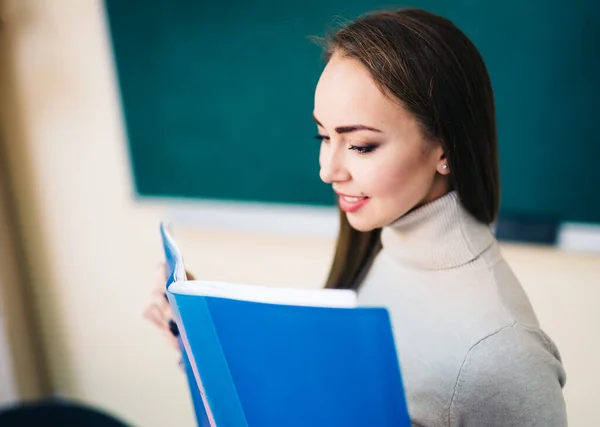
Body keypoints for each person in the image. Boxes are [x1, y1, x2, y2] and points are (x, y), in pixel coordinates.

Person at [144, 8, 567, 426]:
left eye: (361, 145)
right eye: (323, 136)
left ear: (445, 149)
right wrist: (206, 343)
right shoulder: (382, 249)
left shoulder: (503, 353)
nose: (328, 170)